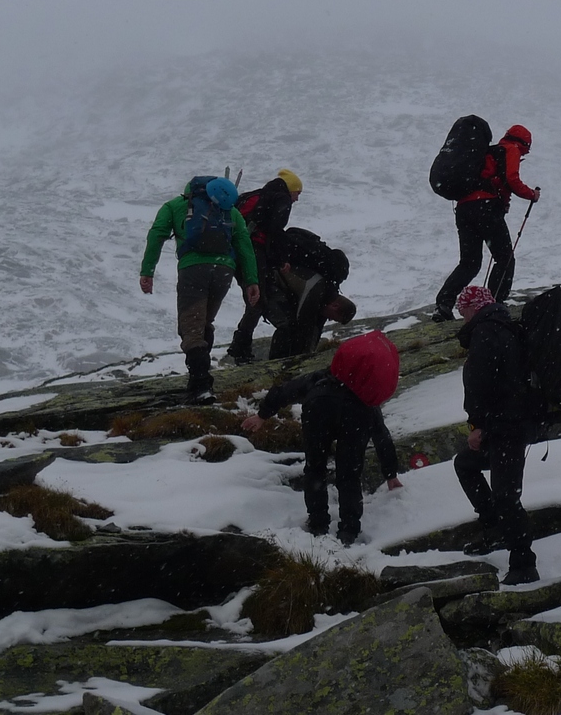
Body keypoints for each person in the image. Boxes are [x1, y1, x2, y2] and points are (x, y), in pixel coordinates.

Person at [241, 330, 402, 544]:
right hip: (356, 417)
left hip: (318, 407)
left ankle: (318, 524)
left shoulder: (322, 377)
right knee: (349, 474)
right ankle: (349, 530)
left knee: (315, 468)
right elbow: (382, 436)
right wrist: (390, 474)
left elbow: (286, 390)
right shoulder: (367, 400)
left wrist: (262, 415)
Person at [140, 176, 259, 404]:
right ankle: (198, 381)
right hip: (223, 271)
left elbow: (157, 234)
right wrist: (251, 280)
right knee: (203, 323)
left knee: (191, 328)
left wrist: (147, 271)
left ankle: (202, 386)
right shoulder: (229, 210)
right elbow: (244, 244)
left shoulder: (175, 205)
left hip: (193, 269)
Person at [451, 285, 539, 585]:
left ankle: (524, 564)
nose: (462, 318)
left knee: (505, 495)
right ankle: (495, 530)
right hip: (512, 424)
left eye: (462, 311)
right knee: (466, 465)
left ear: (472, 308)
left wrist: (478, 426)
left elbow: (481, 382)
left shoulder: (486, 332)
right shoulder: (505, 326)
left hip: (505, 427)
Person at [432, 126, 540, 322]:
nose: (526, 153)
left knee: (469, 263)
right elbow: (512, 179)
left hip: (464, 209)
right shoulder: (511, 149)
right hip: (486, 208)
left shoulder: (486, 153)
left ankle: (443, 304)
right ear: (523, 143)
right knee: (504, 258)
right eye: (527, 148)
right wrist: (531, 194)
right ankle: (494, 305)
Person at [226, 169, 303, 364]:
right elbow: (275, 231)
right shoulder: (281, 199)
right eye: (297, 193)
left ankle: (243, 347)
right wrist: (282, 259)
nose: (296, 199)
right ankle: (241, 350)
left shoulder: (257, 195)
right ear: (290, 189)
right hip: (254, 253)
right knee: (257, 300)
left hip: (237, 252)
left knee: (257, 298)